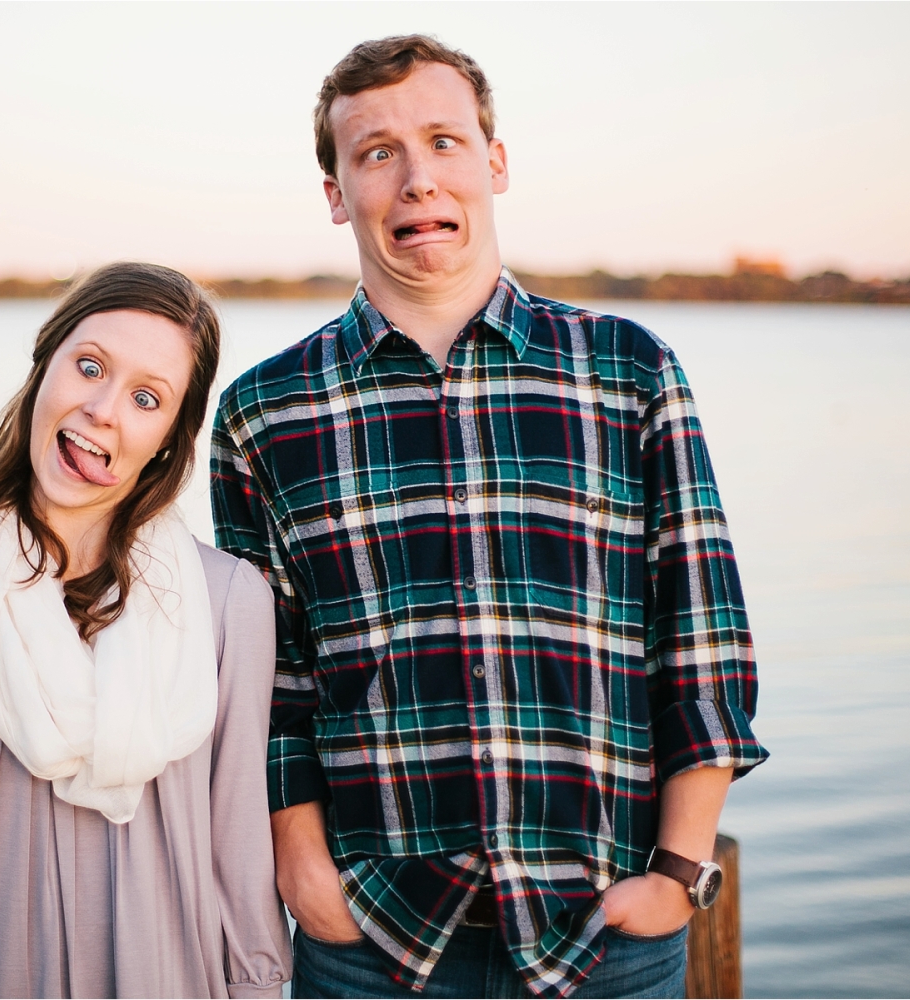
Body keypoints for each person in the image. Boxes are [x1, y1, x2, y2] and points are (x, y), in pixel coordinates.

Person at [211, 36, 768, 999]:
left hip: (603, 930)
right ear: (338, 193)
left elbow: (702, 639)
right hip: (373, 941)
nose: (418, 179)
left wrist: (679, 874)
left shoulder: (628, 370)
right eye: (377, 153)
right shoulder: (266, 411)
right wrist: (304, 871)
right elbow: (270, 684)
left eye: (444, 141)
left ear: (495, 164)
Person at [0, 262, 292, 999]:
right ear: (44, 367)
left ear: (169, 439)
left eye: (146, 398)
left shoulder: (232, 601)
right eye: (89, 366)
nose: (102, 409)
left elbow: (240, 852)